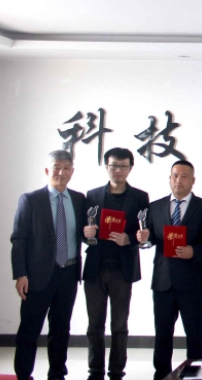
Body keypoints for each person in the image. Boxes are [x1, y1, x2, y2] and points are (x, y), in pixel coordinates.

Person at [11, 150, 86, 380]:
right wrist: (20, 274)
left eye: (66, 168)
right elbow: (19, 239)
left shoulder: (79, 200)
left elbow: (84, 234)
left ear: (72, 172)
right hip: (37, 275)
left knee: (61, 329)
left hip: (69, 273)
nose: (61, 172)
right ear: (47, 170)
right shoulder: (31, 200)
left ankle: (57, 374)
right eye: (56, 167)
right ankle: (24, 374)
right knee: (30, 329)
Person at [146, 160, 202, 380]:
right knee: (162, 334)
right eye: (175, 176)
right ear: (170, 179)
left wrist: (194, 251)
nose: (179, 180)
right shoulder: (155, 207)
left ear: (193, 180)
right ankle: (161, 374)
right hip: (163, 281)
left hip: (192, 282)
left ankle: (194, 374)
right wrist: (144, 238)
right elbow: (150, 237)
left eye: (184, 176)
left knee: (195, 334)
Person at [81, 147, 150, 380]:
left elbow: (144, 232)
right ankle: (95, 372)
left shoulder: (140, 197)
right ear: (106, 167)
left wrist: (129, 239)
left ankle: (117, 372)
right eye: (113, 165)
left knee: (119, 326)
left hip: (122, 269)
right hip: (95, 269)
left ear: (130, 168)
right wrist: (86, 233)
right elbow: (83, 231)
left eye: (123, 166)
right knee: (94, 326)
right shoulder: (92, 196)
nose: (118, 170)